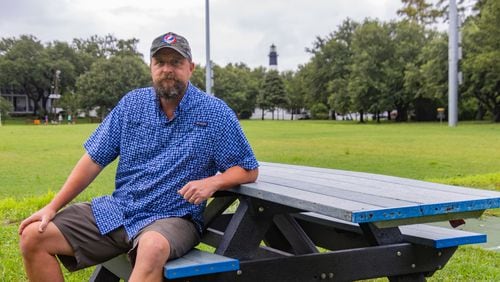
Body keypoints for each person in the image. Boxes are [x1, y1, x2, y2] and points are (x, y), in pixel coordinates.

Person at [18, 32, 259, 282]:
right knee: (33, 236)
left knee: (152, 247)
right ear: (151, 67)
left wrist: (213, 182)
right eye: (160, 62)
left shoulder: (215, 113)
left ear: (191, 68)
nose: (167, 69)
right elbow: (93, 159)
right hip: (120, 210)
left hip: (173, 217)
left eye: (176, 62)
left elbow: (248, 169)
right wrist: (53, 206)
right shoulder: (131, 104)